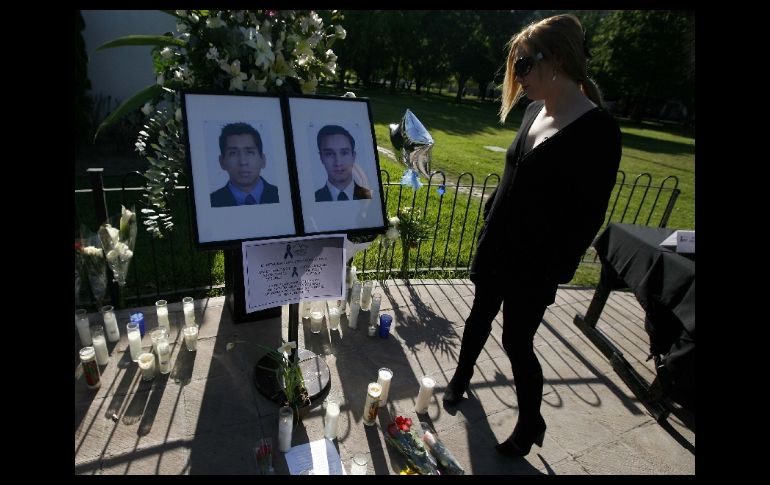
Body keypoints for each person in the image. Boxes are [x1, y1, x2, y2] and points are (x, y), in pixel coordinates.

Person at [442, 14, 621, 458]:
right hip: (497, 246)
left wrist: (551, 272)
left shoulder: (598, 132)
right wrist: (490, 219)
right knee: (477, 318)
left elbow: (586, 217)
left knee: (516, 342)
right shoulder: (531, 112)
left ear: (556, 61)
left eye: (523, 66)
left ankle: (529, 422)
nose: (517, 78)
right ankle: (461, 378)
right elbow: (512, 179)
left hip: (534, 265)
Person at [210, 122, 279, 207]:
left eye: (250, 152)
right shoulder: (212, 202)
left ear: (263, 160)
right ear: (222, 162)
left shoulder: (281, 195)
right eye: (233, 153)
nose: (243, 162)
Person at [314, 124, 372, 202]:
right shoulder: (314, 199)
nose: (338, 162)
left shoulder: (368, 196)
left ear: (353, 156)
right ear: (321, 157)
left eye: (344, 153)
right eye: (329, 154)